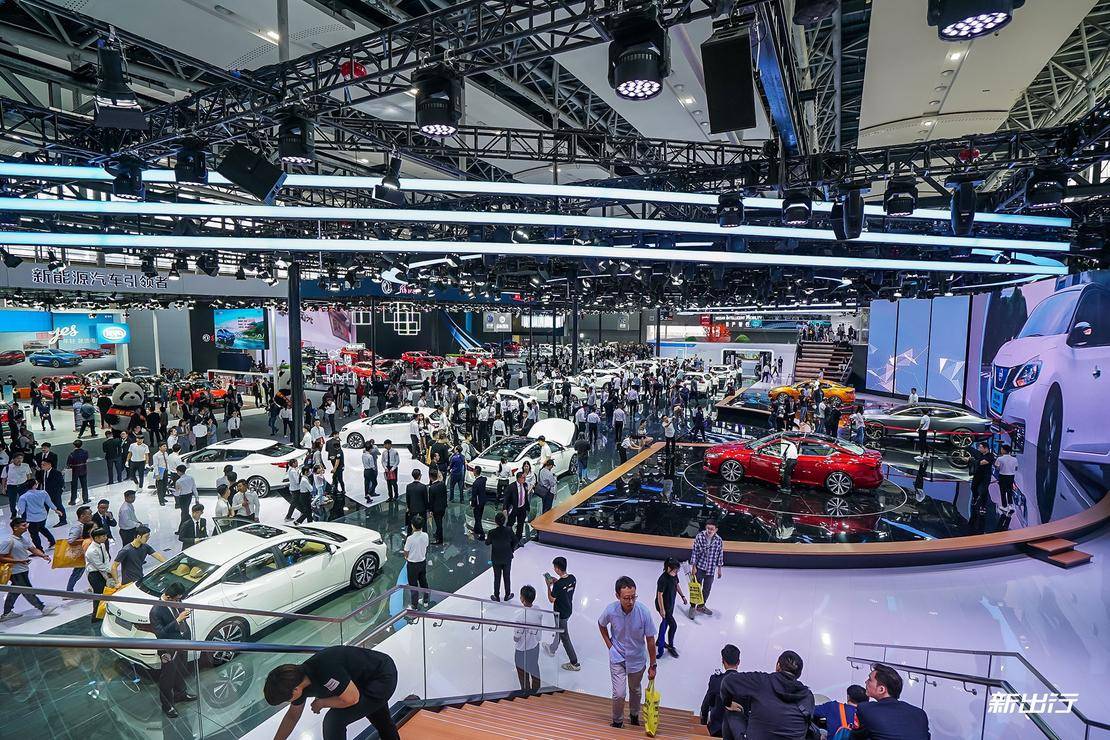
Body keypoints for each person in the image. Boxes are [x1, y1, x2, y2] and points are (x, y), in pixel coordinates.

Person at [263, 646, 400, 740]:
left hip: (381, 676)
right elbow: (292, 717)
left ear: (295, 689)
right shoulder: (299, 682)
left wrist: (322, 703)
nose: (290, 702)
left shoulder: (324, 670)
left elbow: (352, 699)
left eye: (287, 700)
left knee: (334, 720)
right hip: (360, 681)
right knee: (381, 720)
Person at [598, 575, 657, 729]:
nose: (631, 601)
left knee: (635, 690)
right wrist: (610, 646)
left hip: (637, 659)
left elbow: (650, 640)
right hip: (617, 656)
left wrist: (653, 665)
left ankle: (634, 715)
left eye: (633, 597)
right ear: (617, 596)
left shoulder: (644, 612)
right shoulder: (611, 610)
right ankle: (617, 721)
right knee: (619, 693)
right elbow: (601, 624)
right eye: (626, 598)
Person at [719, 650, 816, 740]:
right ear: (799, 674)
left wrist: (728, 703)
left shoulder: (761, 680)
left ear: (778, 665)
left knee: (731, 712)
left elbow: (727, 681)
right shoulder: (808, 696)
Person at [150, 582, 197, 718]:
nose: (179, 601)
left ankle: (180, 694)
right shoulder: (156, 611)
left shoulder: (177, 601)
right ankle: (167, 706)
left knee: (181, 671)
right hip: (168, 649)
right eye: (177, 599)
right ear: (169, 597)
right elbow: (161, 634)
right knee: (167, 678)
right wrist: (177, 620)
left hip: (182, 643)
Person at [0, 517, 58, 622]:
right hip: (15, 571)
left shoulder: (23, 539)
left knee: (15, 590)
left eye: (26, 524)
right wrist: (19, 561)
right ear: (15, 528)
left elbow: (32, 549)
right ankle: (42, 608)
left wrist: (43, 555)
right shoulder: (8, 541)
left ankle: (7, 613)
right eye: (23, 525)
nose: (26, 527)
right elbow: (1, 557)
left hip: (23, 569)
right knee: (27, 590)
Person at [851, 663, 930, 740]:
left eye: (869, 680)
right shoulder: (920, 714)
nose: (866, 682)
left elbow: (855, 736)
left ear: (881, 689)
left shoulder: (866, 709)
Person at [544, 555, 580, 671]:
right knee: (559, 631)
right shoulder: (573, 578)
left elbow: (551, 599)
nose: (554, 569)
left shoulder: (558, 585)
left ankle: (574, 663)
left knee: (565, 637)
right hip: (568, 609)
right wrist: (557, 581)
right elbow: (565, 588)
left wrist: (548, 586)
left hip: (560, 613)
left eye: (555, 567)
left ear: (558, 569)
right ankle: (552, 648)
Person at [700, 644, 741, 737]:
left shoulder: (716, 680)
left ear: (723, 661)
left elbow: (708, 703)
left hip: (717, 730)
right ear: (738, 662)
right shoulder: (746, 683)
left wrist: (703, 723)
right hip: (737, 732)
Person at [655, 557, 687, 659]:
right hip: (664, 606)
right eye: (675, 570)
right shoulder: (663, 579)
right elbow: (659, 595)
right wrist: (662, 610)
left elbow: (676, 585)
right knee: (673, 626)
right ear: (669, 568)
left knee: (665, 623)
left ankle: (659, 641)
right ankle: (669, 646)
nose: (676, 572)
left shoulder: (674, 574)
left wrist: (683, 596)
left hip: (670, 603)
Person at [690, 521, 724, 617]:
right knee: (696, 588)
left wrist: (719, 569)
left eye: (712, 529)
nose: (709, 530)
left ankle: (701, 606)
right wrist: (693, 567)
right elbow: (695, 552)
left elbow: (720, 554)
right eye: (708, 528)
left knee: (707, 589)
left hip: (711, 569)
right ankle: (692, 607)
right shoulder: (700, 537)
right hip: (700, 567)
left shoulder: (719, 540)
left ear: (716, 530)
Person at [513, 584, 542, 693]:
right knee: (534, 667)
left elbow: (516, 638)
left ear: (522, 599)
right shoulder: (538, 609)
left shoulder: (519, 616)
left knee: (522, 671)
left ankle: (525, 691)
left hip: (522, 649)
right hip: (535, 646)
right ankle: (536, 689)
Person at [15, 480, 57, 550]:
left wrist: (18, 515)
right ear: (34, 485)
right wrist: (56, 510)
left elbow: (21, 510)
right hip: (43, 516)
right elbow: (49, 503)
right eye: (37, 483)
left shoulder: (23, 497)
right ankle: (52, 542)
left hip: (31, 519)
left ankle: (39, 549)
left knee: (34, 534)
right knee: (42, 528)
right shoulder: (43, 493)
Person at [85, 527, 115, 623]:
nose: (105, 537)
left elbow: (106, 557)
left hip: (102, 571)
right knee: (99, 595)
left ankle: (102, 612)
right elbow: (99, 565)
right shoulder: (91, 551)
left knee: (105, 593)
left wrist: (108, 569)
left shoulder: (101, 545)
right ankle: (95, 616)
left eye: (105, 535)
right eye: (103, 536)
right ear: (96, 538)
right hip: (94, 574)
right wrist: (110, 571)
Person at [485, 511, 515, 601]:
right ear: (504, 521)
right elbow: (516, 540)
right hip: (507, 557)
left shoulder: (491, 532)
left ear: (495, 521)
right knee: (507, 576)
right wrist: (511, 549)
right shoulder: (509, 530)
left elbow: (487, 543)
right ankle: (507, 595)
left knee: (497, 577)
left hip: (496, 558)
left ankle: (496, 596)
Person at [63, 505, 94, 592]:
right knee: (77, 573)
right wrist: (86, 540)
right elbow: (70, 540)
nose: (91, 515)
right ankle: (69, 591)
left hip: (86, 553)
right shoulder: (77, 527)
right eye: (89, 514)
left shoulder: (85, 525)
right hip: (81, 554)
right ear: (82, 516)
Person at [402, 515, 429, 610]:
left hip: (412, 565)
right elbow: (426, 546)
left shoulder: (410, 538)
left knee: (413, 585)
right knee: (423, 582)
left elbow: (406, 551)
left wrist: (406, 556)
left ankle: (414, 605)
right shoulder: (425, 535)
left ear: (412, 526)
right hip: (422, 562)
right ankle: (425, 601)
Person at [504, 470, 530, 542]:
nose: (524, 479)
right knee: (510, 523)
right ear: (518, 478)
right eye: (523, 478)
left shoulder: (525, 485)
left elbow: (525, 497)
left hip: (522, 508)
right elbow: (506, 498)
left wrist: (527, 507)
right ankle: (508, 537)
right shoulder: (511, 487)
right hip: (514, 508)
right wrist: (505, 508)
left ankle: (518, 539)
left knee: (520, 524)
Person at [40, 458, 67, 526]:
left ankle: (63, 520)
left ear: (49, 464)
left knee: (58, 506)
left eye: (44, 465)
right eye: (42, 464)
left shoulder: (56, 473)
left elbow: (61, 484)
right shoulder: (42, 472)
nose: (42, 466)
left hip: (55, 493)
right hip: (45, 494)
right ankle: (42, 523)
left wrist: (59, 492)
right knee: (45, 508)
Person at [994, 443, 1017, 515]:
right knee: (1010, 491)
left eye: (1001, 449)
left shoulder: (1000, 458)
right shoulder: (1014, 459)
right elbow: (1016, 468)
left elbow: (997, 468)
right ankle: (1011, 505)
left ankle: (1004, 506)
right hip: (1011, 476)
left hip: (1003, 476)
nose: (1001, 450)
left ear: (1004, 450)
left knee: (1003, 492)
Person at [427, 468, 448, 545]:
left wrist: (430, 510)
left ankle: (439, 539)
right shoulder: (442, 484)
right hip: (443, 507)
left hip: (436, 509)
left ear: (430, 477)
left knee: (438, 524)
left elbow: (431, 500)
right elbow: (445, 496)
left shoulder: (432, 488)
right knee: (439, 522)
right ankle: (437, 534)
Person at [66, 439, 90, 505]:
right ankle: (85, 499)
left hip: (74, 471)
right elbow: (86, 458)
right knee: (84, 485)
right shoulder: (85, 452)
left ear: (74, 445)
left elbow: (68, 463)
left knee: (74, 486)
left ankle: (73, 500)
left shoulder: (72, 454)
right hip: (83, 470)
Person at [404, 468, 428, 534]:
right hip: (422, 509)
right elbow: (425, 499)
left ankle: (409, 535)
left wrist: (409, 507)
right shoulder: (423, 486)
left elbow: (407, 498)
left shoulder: (409, 486)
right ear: (419, 476)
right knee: (424, 524)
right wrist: (427, 509)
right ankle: (425, 535)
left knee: (410, 523)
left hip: (412, 508)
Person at [469, 465, 488, 537]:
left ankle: (482, 534)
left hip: (478, 502)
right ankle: (476, 530)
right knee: (479, 516)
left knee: (477, 518)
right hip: (483, 500)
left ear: (475, 472)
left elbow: (474, 495)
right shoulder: (483, 479)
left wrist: (472, 504)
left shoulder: (475, 483)